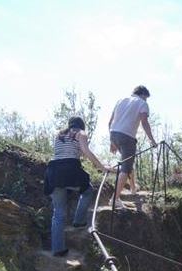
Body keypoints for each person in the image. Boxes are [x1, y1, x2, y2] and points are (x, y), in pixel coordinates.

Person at [44, 116, 110, 256]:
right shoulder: (81, 133)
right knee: (87, 191)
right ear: (81, 126)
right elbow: (85, 152)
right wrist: (102, 167)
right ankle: (79, 220)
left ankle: (58, 249)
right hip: (70, 169)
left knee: (58, 213)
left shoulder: (59, 134)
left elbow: (64, 152)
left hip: (53, 171)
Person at [108, 85, 157, 208]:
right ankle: (115, 199)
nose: (146, 101)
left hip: (114, 133)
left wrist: (112, 141)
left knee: (128, 163)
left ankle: (133, 188)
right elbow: (144, 122)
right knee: (125, 168)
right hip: (127, 137)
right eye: (146, 98)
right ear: (143, 94)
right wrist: (152, 140)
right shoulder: (142, 103)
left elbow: (110, 122)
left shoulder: (121, 100)